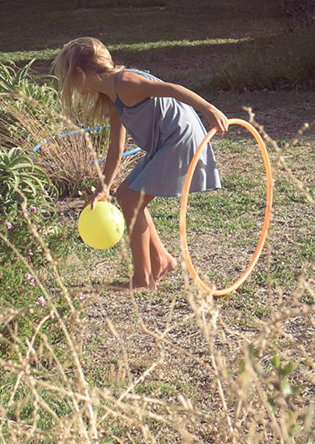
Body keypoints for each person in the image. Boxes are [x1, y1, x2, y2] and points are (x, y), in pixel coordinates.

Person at [56, 37, 227, 291]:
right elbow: (117, 148)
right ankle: (161, 261)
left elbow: (174, 89)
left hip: (179, 138)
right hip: (165, 143)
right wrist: (104, 187)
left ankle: (143, 279)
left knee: (133, 200)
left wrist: (209, 109)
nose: (69, 84)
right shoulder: (114, 97)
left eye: (68, 77)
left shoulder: (124, 82)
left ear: (80, 74)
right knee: (125, 194)